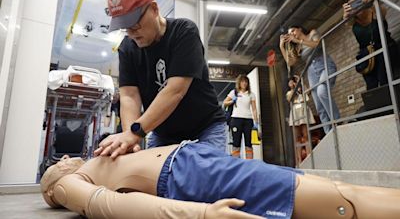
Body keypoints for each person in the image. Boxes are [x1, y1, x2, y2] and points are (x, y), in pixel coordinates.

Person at [41, 140, 400, 218]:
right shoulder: (66, 184)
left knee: (332, 195)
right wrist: (200, 215)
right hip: (189, 174)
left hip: (196, 160)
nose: (65, 159)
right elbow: (109, 205)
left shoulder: (99, 156)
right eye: (58, 163)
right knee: (339, 203)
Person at [96, 0, 226, 159]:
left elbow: (175, 91)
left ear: (154, 9)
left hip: (205, 128)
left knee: (208, 180)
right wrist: (129, 138)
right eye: (125, 27)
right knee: (151, 182)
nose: (131, 33)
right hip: (162, 132)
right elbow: (129, 96)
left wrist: (136, 132)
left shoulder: (184, 31)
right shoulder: (127, 48)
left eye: (134, 24)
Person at [279, 25, 340, 134]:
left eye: (293, 30)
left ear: (300, 29)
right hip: (311, 71)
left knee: (322, 91)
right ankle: (329, 133)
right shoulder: (298, 47)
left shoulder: (312, 33)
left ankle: (337, 122)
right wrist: (282, 46)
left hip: (324, 64)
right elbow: (290, 62)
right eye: (290, 33)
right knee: (319, 105)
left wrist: (299, 40)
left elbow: (318, 44)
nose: (292, 33)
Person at [343, 0, 400, 90]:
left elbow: (382, 12)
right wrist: (346, 14)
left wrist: (370, 3)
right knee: (371, 86)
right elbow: (346, 22)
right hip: (368, 56)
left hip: (386, 49)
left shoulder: (373, 10)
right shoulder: (353, 21)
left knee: (386, 81)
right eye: (352, 5)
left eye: (357, 2)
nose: (356, 6)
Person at [223, 75, 259, 159]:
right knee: (236, 142)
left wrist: (256, 122)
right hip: (236, 119)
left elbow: (254, 109)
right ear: (239, 83)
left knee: (248, 143)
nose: (244, 83)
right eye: (242, 81)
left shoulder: (251, 94)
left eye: (246, 82)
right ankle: (236, 163)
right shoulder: (234, 92)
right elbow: (225, 102)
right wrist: (233, 100)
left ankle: (249, 163)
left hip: (248, 120)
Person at [286, 75, 316, 164]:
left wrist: (301, 82)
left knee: (306, 135)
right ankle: (298, 160)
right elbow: (289, 98)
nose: (293, 82)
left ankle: (309, 158)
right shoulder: (289, 92)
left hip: (304, 110)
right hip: (295, 112)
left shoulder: (302, 90)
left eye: (295, 81)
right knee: (297, 137)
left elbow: (309, 92)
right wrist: (293, 88)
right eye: (292, 81)